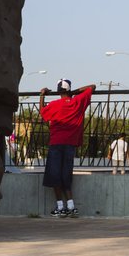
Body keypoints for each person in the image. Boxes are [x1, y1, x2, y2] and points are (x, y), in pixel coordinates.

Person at [39, 79, 96, 217]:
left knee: (54, 175)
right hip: (70, 143)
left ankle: (60, 206)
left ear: (59, 92)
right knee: (66, 174)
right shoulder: (78, 102)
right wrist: (75, 93)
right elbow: (92, 86)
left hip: (56, 143)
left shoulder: (54, 105)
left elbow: (42, 112)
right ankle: (71, 205)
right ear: (69, 90)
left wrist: (42, 95)